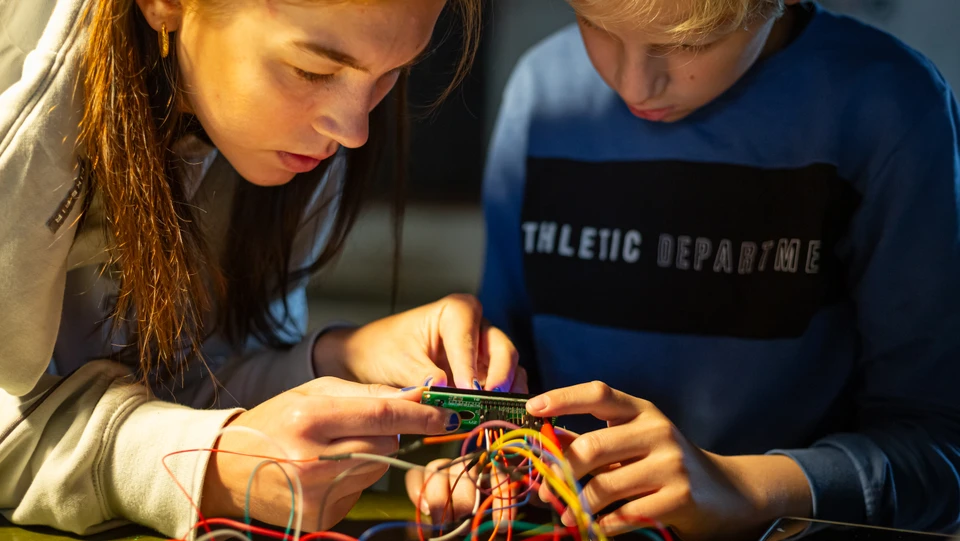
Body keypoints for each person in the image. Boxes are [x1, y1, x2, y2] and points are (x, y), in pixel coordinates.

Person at [408, 0, 960, 538]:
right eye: (595, 24)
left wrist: (746, 489)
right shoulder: (543, 90)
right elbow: (502, 386)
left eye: (689, 43)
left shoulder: (889, 105)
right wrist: (484, 466)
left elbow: (940, 451)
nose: (634, 86)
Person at [0, 0, 525, 537]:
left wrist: (342, 358)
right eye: (312, 71)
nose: (354, 130)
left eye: (392, 73)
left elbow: (180, 381)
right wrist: (203, 464)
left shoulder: (283, 146)